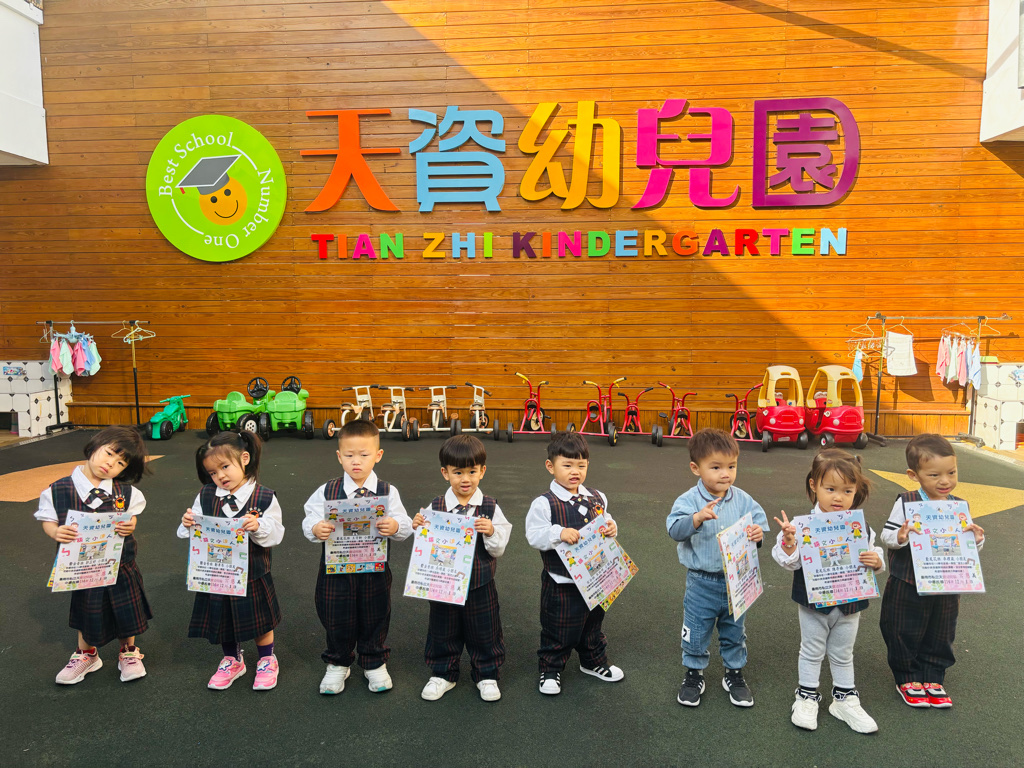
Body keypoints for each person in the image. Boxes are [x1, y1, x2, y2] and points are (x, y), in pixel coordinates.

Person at [772, 449, 884, 733]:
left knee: (843, 652)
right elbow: (789, 562)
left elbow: (873, 551)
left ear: (856, 490)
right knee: (811, 650)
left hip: (850, 603)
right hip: (814, 604)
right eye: (830, 489)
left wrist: (876, 560)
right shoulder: (801, 526)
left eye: (847, 490)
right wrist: (789, 542)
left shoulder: (859, 525)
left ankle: (844, 700)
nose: (838, 497)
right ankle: (806, 697)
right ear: (814, 485)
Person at [302, 419, 412, 695]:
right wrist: (316, 528)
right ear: (339, 456)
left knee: (376, 613)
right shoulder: (327, 490)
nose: (356, 461)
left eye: (364, 455)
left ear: (378, 455)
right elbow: (309, 517)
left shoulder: (387, 491)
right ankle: (338, 661)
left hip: (374, 568)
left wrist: (395, 526)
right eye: (349, 455)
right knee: (335, 614)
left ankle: (374, 660)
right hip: (336, 569)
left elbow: (404, 522)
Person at [36, 426, 151, 685]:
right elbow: (47, 519)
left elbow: (131, 517)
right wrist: (55, 532)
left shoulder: (127, 493)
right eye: (109, 454)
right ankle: (87, 654)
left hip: (120, 564)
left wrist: (130, 525)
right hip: (83, 567)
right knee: (87, 609)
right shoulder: (58, 490)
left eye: (120, 463)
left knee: (127, 609)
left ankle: (128, 651)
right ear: (95, 445)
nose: (111, 464)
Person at [879, 433, 985, 709]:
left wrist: (976, 539)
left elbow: (968, 547)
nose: (945, 481)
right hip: (907, 582)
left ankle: (933, 676)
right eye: (934, 475)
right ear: (913, 475)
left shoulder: (958, 506)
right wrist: (901, 535)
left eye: (951, 472)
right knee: (902, 628)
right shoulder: (907, 502)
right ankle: (907, 677)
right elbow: (886, 536)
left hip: (947, 581)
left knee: (942, 630)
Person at [666, 428, 768, 708]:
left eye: (731, 466)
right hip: (701, 582)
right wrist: (696, 518)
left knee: (734, 630)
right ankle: (693, 673)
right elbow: (674, 530)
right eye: (716, 467)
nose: (726, 474)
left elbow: (759, 526)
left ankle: (733, 672)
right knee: (696, 630)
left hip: (737, 580)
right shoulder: (688, 500)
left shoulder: (743, 499)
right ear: (695, 468)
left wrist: (758, 534)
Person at [179, 430, 285, 691]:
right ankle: (232, 659)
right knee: (223, 618)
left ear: (244, 458)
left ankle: (267, 659)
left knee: (260, 621)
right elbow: (193, 528)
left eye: (225, 467)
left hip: (253, 574)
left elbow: (275, 534)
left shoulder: (264, 497)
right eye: (213, 472)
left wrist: (258, 525)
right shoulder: (206, 495)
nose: (220, 476)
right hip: (218, 573)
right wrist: (188, 522)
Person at [412, 434, 512, 702]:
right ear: (445, 473)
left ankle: (487, 674)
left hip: (480, 585)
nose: (465, 479)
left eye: (472, 471)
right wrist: (418, 527)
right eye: (457, 472)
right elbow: (425, 547)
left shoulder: (489, 507)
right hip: (443, 583)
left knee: (485, 629)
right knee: (443, 629)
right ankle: (443, 673)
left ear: (482, 471)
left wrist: (491, 531)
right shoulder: (435, 506)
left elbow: (499, 548)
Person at [525, 431, 623, 695]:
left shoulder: (597, 497)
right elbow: (533, 535)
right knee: (559, 626)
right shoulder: (544, 503)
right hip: (562, 581)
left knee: (593, 623)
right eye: (567, 465)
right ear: (550, 466)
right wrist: (558, 533)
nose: (575, 472)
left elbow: (606, 520)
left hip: (596, 578)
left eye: (581, 465)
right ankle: (551, 668)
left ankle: (593, 660)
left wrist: (612, 527)